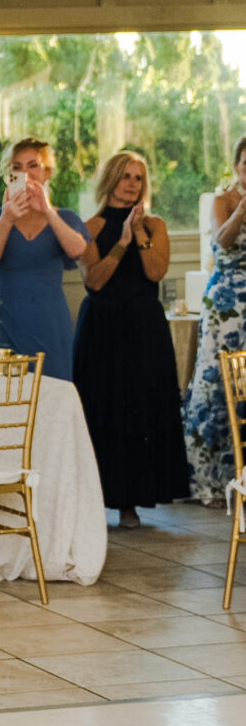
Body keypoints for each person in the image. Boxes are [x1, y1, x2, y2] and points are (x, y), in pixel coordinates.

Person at [73, 148, 189, 527]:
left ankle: (131, 504)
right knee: (103, 408)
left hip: (144, 327)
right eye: (125, 176)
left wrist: (138, 233)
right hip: (103, 327)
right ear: (111, 179)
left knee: (142, 406)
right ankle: (95, 500)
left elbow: (155, 273)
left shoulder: (156, 226)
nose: (132, 184)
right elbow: (94, 281)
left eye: (138, 178)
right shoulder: (89, 227)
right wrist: (121, 242)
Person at [0, 135, 89, 380]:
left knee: (55, 392)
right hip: (6, 321)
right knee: (4, 393)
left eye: (33, 165)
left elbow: (78, 250)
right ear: (9, 175)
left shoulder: (65, 217)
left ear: (47, 172)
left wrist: (47, 211)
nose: (25, 173)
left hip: (51, 323)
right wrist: (7, 218)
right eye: (17, 167)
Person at [185, 133, 246, 504]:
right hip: (227, 304)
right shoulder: (222, 201)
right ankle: (210, 479)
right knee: (217, 384)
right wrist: (243, 208)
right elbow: (221, 241)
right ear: (237, 166)